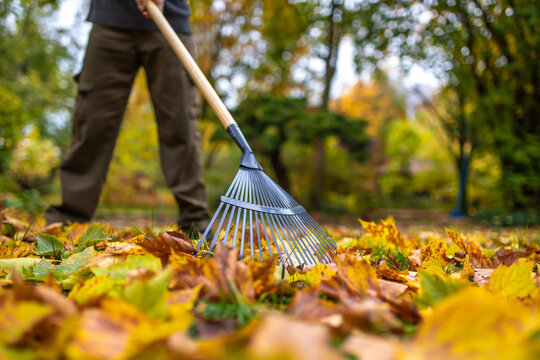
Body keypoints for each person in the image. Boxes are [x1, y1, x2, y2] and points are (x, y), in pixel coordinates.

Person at [45, 0, 210, 237]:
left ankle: (196, 221)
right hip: (110, 20)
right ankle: (68, 220)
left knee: (181, 125)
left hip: (171, 22)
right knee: (92, 122)